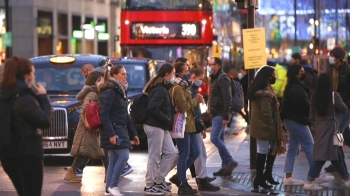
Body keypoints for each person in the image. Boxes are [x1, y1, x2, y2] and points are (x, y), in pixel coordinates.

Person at [0, 57, 52, 196]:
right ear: (27, 76)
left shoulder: (4, 95)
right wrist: (43, 96)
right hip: (27, 154)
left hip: (7, 156)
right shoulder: (23, 98)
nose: (34, 77)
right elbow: (45, 121)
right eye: (33, 74)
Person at [99, 65, 140, 196]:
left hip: (119, 128)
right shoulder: (110, 91)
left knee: (114, 160)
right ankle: (113, 185)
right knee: (123, 157)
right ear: (115, 76)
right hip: (115, 130)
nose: (125, 76)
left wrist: (134, 133)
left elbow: (125, 115)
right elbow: (103, 114)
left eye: (125, 74)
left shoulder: (120, 90)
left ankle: (108, 188)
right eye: (123, 74)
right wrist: (111, 134)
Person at [303, 73, 349, 190]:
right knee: (323, 156)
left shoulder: (314, 97)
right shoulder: (334, 96)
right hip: (331, 129)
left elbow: (311, 115)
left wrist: (317, 124)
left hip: (319, 129)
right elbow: (344, 109)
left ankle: (346, 178)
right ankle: (309, 181)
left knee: (336, 155)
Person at [247, 66, 285, 189]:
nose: (275, 77)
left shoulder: (263, 89)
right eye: (273, 75)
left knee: (270, 148)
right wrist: (271, 125)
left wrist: (275, 104)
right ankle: (259, 178)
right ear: (267, 77)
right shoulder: (265, 92)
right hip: (264, 126)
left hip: (262, 125)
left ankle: (266, 174)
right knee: (263, 150)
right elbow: (266, 112)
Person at [142, 63, 178, 195]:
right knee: (154, 156)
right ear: (166, 75)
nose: (174, 76)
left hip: (161, 126)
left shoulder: (162, 87)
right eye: (173, 73)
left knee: (171, 152)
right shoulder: (160, 89)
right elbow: (152, 108)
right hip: (155, 126)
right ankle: (149, 185)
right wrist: (167, 119)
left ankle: (159, 180)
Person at [64, 72, 106, 183]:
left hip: (91, 127)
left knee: (89, 151)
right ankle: (110, 174)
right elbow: (88, 111)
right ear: (94, 82)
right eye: (99, 80)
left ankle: (71, 172)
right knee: (99, 151)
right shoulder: (92, 94)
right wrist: (92, 127)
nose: (102, 82)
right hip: (89, 128)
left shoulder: (96, 92)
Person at [168, 61, 202, 194]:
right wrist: (195, 101)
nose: (189, 73)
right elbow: (182, 107)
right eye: (187, 71)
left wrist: (196, 99)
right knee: (184, 153)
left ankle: (179, 176)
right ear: (180, 73)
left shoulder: (185, 86)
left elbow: (188, 104)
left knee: (195, 152)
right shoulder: (177, 87)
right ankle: (182, 183)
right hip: (182, 125)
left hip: (190, 124)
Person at [280, 65, 313, 185]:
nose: (304, 73)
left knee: (293, 149)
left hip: (291, 120)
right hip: (296, 120)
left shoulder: (294, 87)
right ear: (296, 75)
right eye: (302, 72)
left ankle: (288, 177)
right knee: (309, 145)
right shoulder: (296, 89)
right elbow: (303, 106)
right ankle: (315, 174)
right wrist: (310, 115)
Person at [207, 57, 238, 176]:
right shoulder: (213, 78)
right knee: (220, 139)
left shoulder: (223, 78)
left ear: (218, 66)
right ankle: (225, 166)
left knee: (214, 138)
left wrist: (226, 116)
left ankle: (230, 160)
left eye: (211, 64)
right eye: (208, 64)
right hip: (215, 113)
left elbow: (227, 98)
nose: (209, 67)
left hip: (220, 113)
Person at [325, 47, 350, 172]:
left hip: (345, 108)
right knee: (344, 134)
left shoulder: (347, 70)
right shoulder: (331, 71)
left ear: (339, 57)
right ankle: (337, 160)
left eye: (332, 55)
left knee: (337, 133)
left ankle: (338, 162)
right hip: (335, 107)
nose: (331, 57)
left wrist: (346, 105)